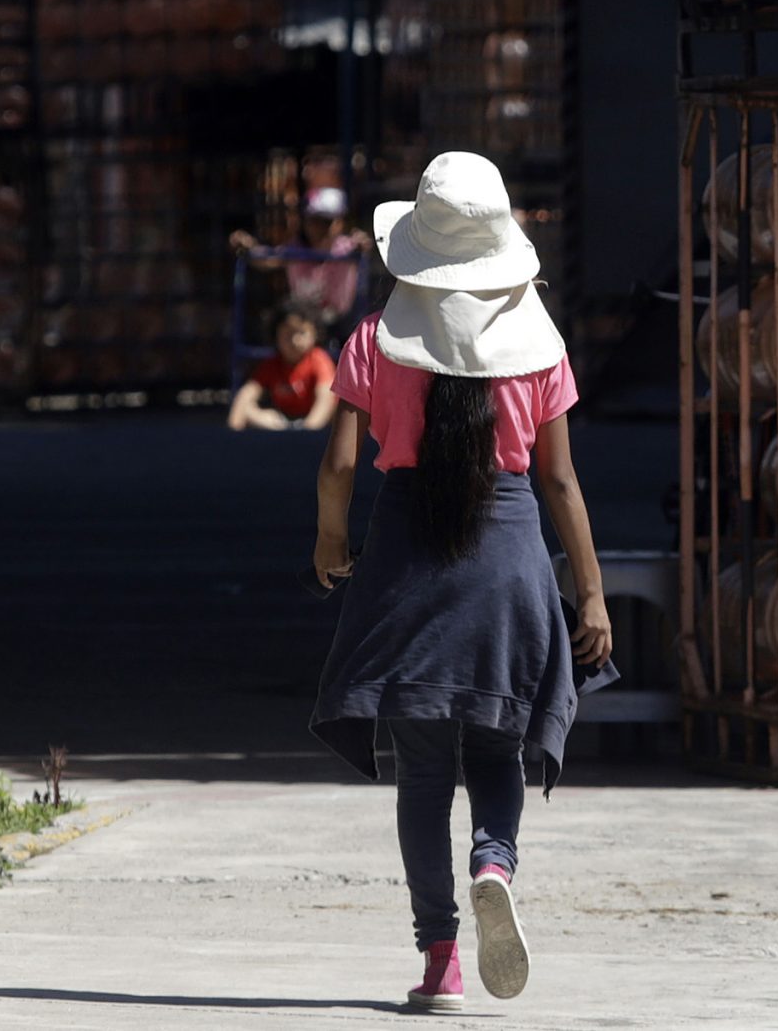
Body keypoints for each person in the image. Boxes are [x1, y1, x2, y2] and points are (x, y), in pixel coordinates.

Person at [307, 151, 613, 1011]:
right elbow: (557, 480)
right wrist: (588, 592)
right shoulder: (541, 346)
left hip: (408, 560)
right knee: (499, 743)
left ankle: (440, 961)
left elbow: (338, 466)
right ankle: (494, 861)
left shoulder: (372, 341)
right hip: (508, 563)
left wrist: (331, 544)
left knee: (423, 773)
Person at [230, 186, 368, 333]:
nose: (320, 228)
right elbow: (268, 260)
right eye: (314, 220)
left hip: (340, 322)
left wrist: (363, 245)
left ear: (340, 223)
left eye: (327, 222)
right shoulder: (295, 248)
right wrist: (249, 247)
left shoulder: (348, 248)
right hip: (304, 322)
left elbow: (365, 246)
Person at [228, 303, 338, 432]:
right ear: (276, 336)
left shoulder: (319, 360)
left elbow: (325, 400)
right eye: (287, 334)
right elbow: (246, 395)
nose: (294, 340)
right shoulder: (271, 364)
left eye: (302, 333)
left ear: (314, 334)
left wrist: (308, 431)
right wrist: (233, 430)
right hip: (282, 425)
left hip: (316, 428)